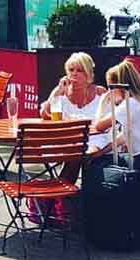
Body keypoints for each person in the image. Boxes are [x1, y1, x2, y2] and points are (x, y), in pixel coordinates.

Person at [90, 59, 140, 178]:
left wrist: (102, 101)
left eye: (110, 87)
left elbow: (99, 126)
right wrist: (101, 151)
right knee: (103, 157)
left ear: (118, 86)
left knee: (98, 164)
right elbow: (123, 136)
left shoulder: (130, 103)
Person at [39, 52, 109, 183]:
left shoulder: (100, 92)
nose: (74, 74)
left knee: (82, 154)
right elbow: (44, 114)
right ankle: (64, 195)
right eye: (71, 70)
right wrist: (56, 93)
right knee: (76, 154)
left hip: (96, 138)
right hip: (69, 139)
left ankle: (60, 195)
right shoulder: (62, 91)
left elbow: (111, 120)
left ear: (88, 73)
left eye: (79, 70)